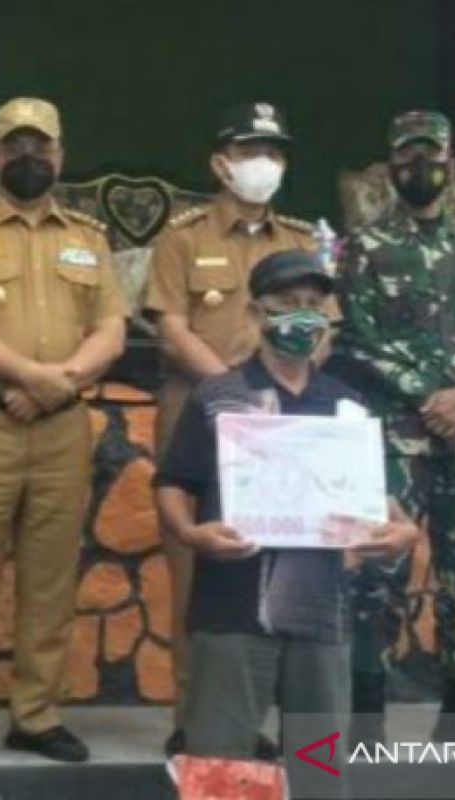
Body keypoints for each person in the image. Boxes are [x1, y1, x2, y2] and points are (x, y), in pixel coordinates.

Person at [155, 250, 419, 800]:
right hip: (231, 607)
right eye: (287, 305)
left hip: (322, 611)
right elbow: (172, 482)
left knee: (319, 770)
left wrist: (401, 535)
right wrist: (190, 533)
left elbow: (388, 509)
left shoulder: (348, 407)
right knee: (221, 770)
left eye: (313, 305)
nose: (302, 317)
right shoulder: (218, 397)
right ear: (255, 314)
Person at [0, 97, 126, 767]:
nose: (29, 157)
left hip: (62, 425)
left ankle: (35, 714)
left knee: (50, 576)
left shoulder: (90, 239)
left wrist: (59, 381)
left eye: (42, 146)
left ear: (61, 155)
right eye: (15, 146)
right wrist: (30, 377)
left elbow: (111, 330)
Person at [327, 111, 455, 746]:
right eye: (406, 158)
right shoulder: (365, 247)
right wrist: (428, 393)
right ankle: (367, 719)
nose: (419, 168)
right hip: (394, 435)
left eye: (430, 156)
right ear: (391, 167)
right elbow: (356, 338)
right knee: (379, 574)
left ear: (451, 163)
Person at [141, 102, 318, 756]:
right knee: (196, 566)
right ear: (221, 162)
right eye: (250, 151)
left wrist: (281, 392)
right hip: (199, 416)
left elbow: (322, 324)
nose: (263, 164)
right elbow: (169, 324)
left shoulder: (299, 243)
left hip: (282, 428)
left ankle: (251, 718)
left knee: (269, 564)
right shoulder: (184, 238)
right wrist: (234, 390)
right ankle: (195, 718)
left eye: (273, 152)